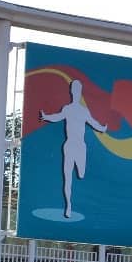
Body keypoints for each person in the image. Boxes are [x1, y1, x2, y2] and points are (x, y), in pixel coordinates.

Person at [39, 78, 107, 218]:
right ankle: (68, 205)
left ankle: (80, 171)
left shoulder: (83, 111)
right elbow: (57, 117)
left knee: (81, 173)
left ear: (79, 92)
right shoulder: (67, 109)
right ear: (72, 92)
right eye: (74, 90)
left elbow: (93, 122)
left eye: (78, 90)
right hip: (69, 145)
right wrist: (45, 116)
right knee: (67, 177)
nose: (76, 92)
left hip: (80, 146)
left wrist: (102, 128)